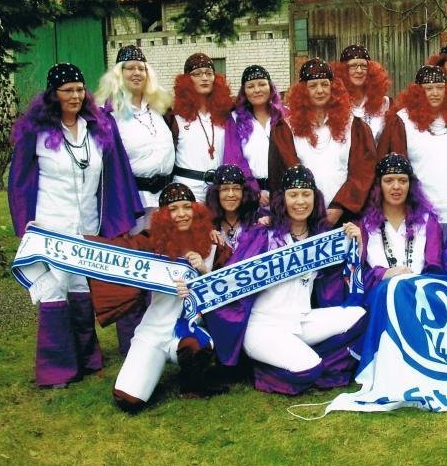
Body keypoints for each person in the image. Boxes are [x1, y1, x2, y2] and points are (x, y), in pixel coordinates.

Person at [8, 62, 143, 388]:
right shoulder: (37, 131)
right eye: (67, 90)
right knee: (55, 291)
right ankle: (56, 369)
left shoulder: (97, 128)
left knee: (82, 289)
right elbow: (19, 181)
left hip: (87, 224)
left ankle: (87, 358)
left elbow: (115, 175)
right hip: (51, 225)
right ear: (53, 94)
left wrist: (115, 220)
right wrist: (26, 226)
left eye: (80, 89)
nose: (75, 96)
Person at [205, 165, 368, 395]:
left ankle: (303, 356)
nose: (300, 201)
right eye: (293, 195)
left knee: (358, 315)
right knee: (309, 369)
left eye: (306, 194)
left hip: (301, 321)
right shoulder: (265, 234)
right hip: (263, 326)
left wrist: (355, 242)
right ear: (283, 199)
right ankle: (262, 370)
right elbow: (232, 278)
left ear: (315, 198)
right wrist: (196, 286)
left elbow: (340, 276)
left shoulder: (321, 237)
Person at [88, 183, 232, 411]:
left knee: (197, 347)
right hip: (155, 329)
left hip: (191, 328)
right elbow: (112, 253)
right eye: (174, 209)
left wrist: (204, 273)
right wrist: (58, 238)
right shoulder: (150, 242)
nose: (182, 214)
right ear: (164, 214)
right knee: (128, 400)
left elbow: (229, 286)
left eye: (187, 207)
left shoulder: (213, 243)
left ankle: (193, 384)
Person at [269, 57, 377, 226]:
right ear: (303, 91)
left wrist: (339, 207)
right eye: (313, 86)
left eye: (325, 84)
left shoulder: (354, 127)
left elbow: (362, 173)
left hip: (345, 219)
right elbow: (282, 176)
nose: (320, 90)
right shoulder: (285, 130)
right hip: (301, 219)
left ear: (333, 88)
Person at [378, 65, 447, 228]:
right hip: (424, 217)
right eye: (429, 88)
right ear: (418, 92)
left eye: (440, 87)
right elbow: (393, 172)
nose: (435, 93)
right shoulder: (402, 121)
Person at [95, 45, 175, 233]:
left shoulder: (159, 108)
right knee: (137, 247)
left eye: (141, 68)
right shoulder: (108, 115)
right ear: (118, 74)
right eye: (130, 68)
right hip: (131, 201)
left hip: (164, 197)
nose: (137, 73)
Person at [170, 53, 250, 202]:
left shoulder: (225, 115)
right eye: (197, 74)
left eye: (209, 73)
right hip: (187, 190)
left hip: (219, 191)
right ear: (186, 81)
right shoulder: (176, 117)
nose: (204, 78)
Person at [359, 153, 443, 292]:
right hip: (381, 295)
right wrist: (385, 273)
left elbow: (435, 268)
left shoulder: (428, 221)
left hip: (420, 294)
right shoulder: (365, 224)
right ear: (379, 185)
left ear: (410, 185)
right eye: (389, 180)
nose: (396, 186)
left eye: (403, 181)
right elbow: (359, 275)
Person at [223, 64, 287, 206]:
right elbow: (233, 158)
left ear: (270, 87)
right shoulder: (235, 119)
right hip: (250, 194)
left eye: (262, 84)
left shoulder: (285, 116)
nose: (257, 90)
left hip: (284, 192)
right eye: (250, 86)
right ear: (244, 91)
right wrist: (254, 190)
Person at [332, 44, 391, 144]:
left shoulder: (384, 104)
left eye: (364, 66)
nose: (359, 70)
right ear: (343, 70)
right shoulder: (333, 104)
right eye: (353, 66)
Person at [205, 164, 260, 252]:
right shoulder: (207, 224)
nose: (231, 194)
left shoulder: (256, 220)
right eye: (225, 189)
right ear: (216, 193)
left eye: (236, 189)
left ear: (244, 192)